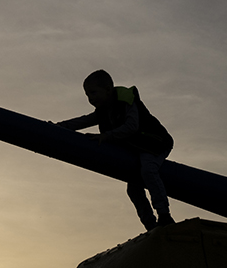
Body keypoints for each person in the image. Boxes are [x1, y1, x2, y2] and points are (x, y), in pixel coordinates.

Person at [57, 70, 175, 231]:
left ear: (108, 89)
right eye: (87, 95)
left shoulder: (126, 100)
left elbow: (132, 126)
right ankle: (151, 226)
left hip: (155, 143)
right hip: (136, 148)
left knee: (148, 170)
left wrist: (107, 136)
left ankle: (164, 215)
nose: (90, 98)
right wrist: (58, 127)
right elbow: (83, 121)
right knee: (133, 188)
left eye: (93, 93)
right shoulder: (103, 111)